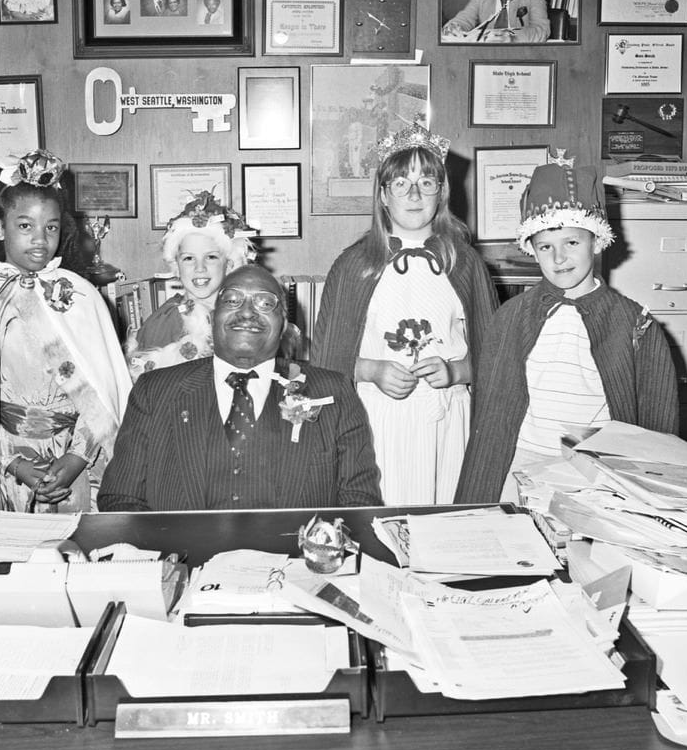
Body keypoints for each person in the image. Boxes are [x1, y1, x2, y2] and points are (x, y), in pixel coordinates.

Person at [454, 154, 680, 504]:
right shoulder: (511, 317)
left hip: (595, 468)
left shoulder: (634, 322)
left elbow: (657, 418)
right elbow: (490, 413)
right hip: (521, 462)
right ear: (531, 249)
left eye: (572, 243)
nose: (559, 258)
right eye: (546, 247)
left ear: (596, 241)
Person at [0, 150, 132, 512]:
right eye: (25, 226)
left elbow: (105, 391)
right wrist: (16, 463)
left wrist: (75, 459)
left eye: (50, 227)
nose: (40, 239)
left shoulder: (81, 297)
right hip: (8, 461)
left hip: (79, 463)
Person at [312, 123, 499, 504]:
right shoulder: (355, 265)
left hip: (446, 419)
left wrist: (454, 371)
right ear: (383, 194)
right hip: (379, 419)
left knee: (445, 521)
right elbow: (325, 361)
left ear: (442, 193)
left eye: (426, 182)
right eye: (401, 183)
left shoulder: (463, 263)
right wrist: (373, 370)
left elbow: (495, 358)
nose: (414, 194)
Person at [99, 265, 383, 511]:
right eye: (232, 300)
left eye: (265, 303)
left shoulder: (333, 393)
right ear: (212, 319)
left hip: (293, 566)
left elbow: (359, 501)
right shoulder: (155, 392)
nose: (247, 312)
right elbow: (120, 498)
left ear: (284, 324)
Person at [125, 190, 258, 378]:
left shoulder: (244, 315)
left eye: (211, 257)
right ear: (176, 267)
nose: (199, 268)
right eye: (188, 258)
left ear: (229, 264)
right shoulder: (165, 323)